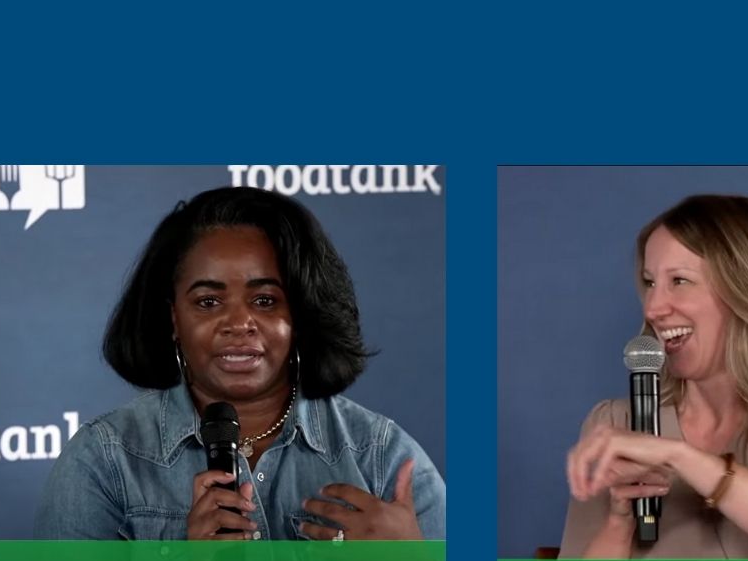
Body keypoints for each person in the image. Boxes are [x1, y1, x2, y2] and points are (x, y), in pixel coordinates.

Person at [34, 186, 446, 540]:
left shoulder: (381, 457)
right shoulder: (103, 461)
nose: (238, 323)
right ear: (174, 318)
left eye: (265, 300)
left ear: (301, 314)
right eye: (208, 302)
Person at [559, 194, 748, 559]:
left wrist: (680, 456)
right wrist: (618, 521)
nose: (653, 308)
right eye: (650, 283)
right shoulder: (618, 425)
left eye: (679, 280)